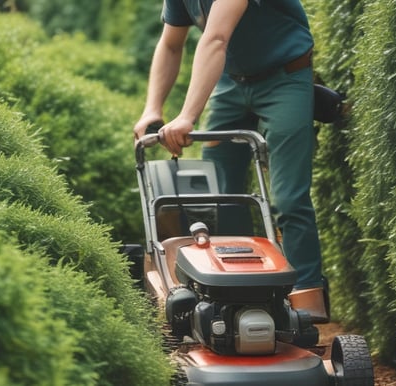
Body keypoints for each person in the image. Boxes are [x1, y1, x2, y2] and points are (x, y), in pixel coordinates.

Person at [133, 0, 328, 323]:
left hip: (285, 78)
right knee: (223, 196)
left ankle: (306, 296)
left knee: (288, 199)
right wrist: (153, 108)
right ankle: (243, 287)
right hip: (232, 82)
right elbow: (170, 45)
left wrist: (187, 116)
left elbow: (216, 39)